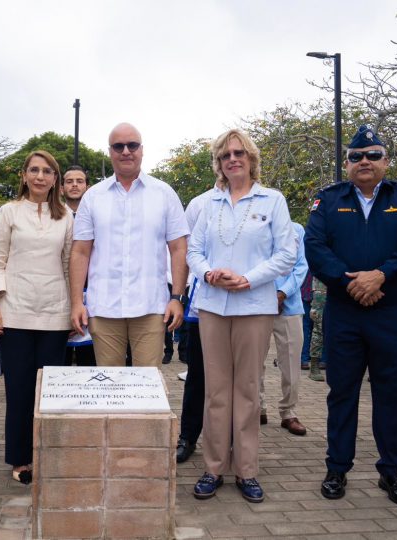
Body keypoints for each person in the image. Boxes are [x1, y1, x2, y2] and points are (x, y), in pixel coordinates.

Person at [305, 125, 397, 508]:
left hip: (391, 313)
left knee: (391, 396)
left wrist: (382, 275)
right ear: (347, 164)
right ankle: (337, 467)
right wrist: (352, 283)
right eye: (356, 156)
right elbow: (315, 247)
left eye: (373, 155)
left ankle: (391, 471)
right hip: (344, 313)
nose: (365, 161)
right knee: (341, 393)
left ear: (386, 161)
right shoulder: (327, 200)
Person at [187, 129, 296, 503]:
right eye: (225, 155)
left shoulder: (273, 200)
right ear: (218, 163)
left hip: (254, 305)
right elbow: (193, 250)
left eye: (239, 153)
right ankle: (213, 467)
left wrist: (248, 279)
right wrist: (208, 274)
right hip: (213, 306)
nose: (232, 159)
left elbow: (287, 255)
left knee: (247, 390)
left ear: (251, 159)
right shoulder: (209, 204)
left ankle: (247, 471)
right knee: (216, 391)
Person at [0, 150, 73, 484]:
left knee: (50, 391)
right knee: (19, 390)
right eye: (33, 170)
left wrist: (75, 306)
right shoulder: (8, 212)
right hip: (15, 313)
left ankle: (48, 455)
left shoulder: (66, 216)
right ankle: (20, 459)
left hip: (55, 314)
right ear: (24, 175)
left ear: (55, 179)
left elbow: (69, 264)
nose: (39, 176)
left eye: (47, 171)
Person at [70, 123, 189, 366]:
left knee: (148, 390)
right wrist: (76, 303)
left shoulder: (164, 193)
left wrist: (177, 297)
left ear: (142, 150)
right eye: (118, 146)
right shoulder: (93, 197)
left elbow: (179, 248)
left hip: (150, 307)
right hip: (103, 307)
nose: (126, 151)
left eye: (132, 145)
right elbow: (80, 252)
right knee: (109, 389)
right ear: (110, 151)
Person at [175, 185, 218, 463]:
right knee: (198, 376)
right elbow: (187, 250)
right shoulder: (199, 203)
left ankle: (228, 442)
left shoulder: (263, 200)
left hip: (243, 303)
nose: (231, 162)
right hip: (202, 300)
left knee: (238, 380)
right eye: (225, 157)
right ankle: (187, 436)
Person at [260, 222, 309, 436]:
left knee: (290, 363)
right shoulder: (255, 226)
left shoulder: (296, 230)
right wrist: (268, 295)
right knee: (252, 361)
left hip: (289, 305)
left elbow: (301, 267)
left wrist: (282, 293)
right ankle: (257, 407)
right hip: (257, 303)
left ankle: (288, 412)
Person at [61, 165, 96, 367]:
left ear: (87, 186)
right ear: (61, 188)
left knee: (90, 365)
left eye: (79, 181)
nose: (74, 185)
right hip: (61, 292)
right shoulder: (53, 216)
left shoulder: (97, 216)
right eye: (69, 181)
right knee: (59, 366)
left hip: (92, 292)